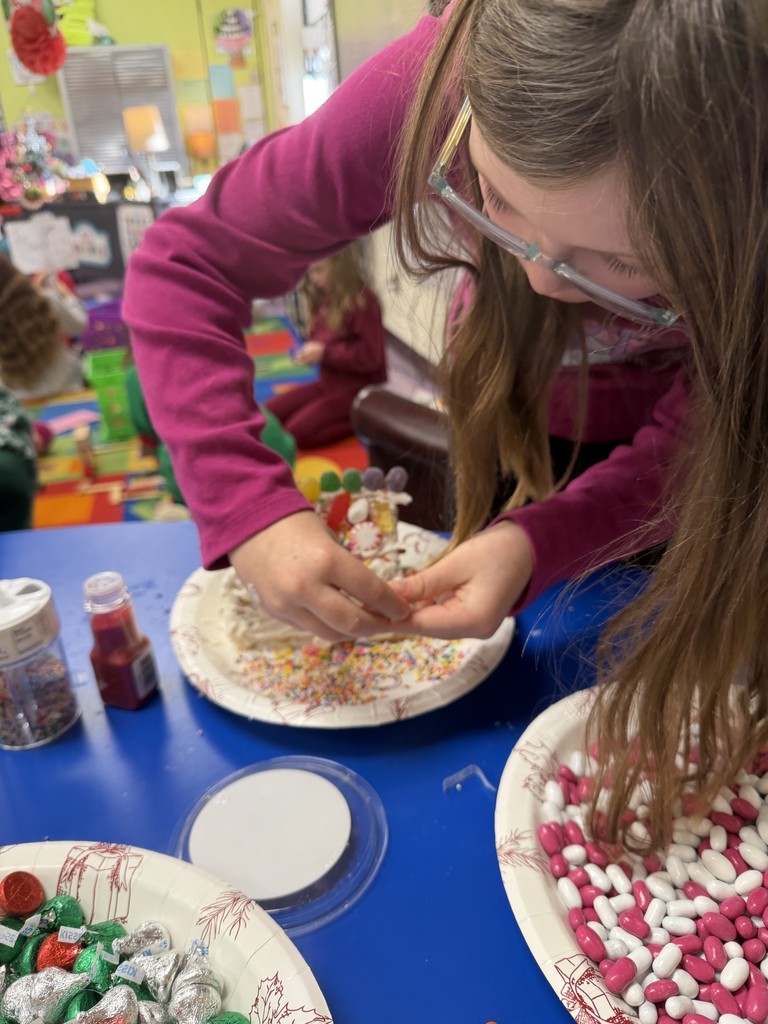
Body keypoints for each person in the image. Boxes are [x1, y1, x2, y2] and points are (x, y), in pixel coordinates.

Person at [123, 0, 767, 849]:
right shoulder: (428, 89)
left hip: (714, 467)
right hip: (515, 421)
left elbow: (709, 435)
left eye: (626, 263)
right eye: (497, 199)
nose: (543, 283)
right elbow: (185, 261)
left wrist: (545, 539)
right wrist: (249, 506)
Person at [264, 246, 387, 448]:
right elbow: (324, 340)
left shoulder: (363, 301)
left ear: (339, 267)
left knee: (296, 434)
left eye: (320, 270)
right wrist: (312, 351)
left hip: (357, 390)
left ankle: (367, 418)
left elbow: (371, 357)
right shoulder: (326, 299)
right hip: (329, 383)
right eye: (311, 272)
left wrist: (324, 353)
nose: (314, 279)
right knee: (270, 414)